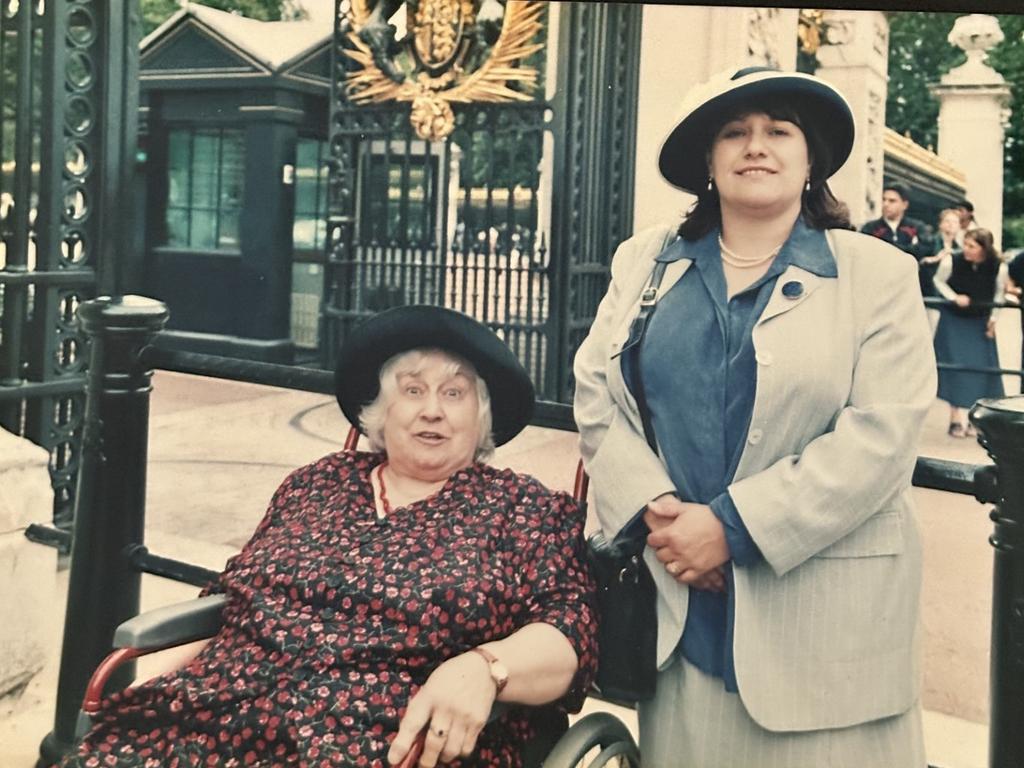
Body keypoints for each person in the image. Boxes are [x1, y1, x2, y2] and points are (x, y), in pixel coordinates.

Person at [574, 66, 935, 767]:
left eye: (779, 130)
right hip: (682, 605)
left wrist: (731, 529)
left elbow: (881, 438)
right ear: (708, 161)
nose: (755, 146)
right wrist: (660, 514)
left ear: (811, 161)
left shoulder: (878, 275)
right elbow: (594, 390)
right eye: (734, 132)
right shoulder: (646, 261)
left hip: (825, 624)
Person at [60, 305, 598, 768]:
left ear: (481, 419)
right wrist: (160, 676)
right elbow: (234, 597)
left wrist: (487, 669)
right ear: (382, 412)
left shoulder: (523, 508)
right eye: (413, 390)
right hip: (223, 708)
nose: (432, 409)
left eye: (454, 393)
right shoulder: (318, 481)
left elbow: (568, 634)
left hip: (374, 737)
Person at [932, 228, 1008, 437]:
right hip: (954, 320)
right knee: (955, 368)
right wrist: (953, 296)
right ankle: (955, 419)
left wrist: (993, 320)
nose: (966, 249)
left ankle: (976, 419)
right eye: (965, 244)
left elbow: (999, 294)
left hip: (979, 320)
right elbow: (938, 281)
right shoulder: (952, 261)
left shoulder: (998, 266)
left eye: (972, 246)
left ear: (984, 248)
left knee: (981, 370)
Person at [859, 181, 933, 261]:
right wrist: (909, 249)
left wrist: (887, 247)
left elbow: (926, 249)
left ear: (905, 205)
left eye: (892, 201)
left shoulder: (916, 227)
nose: (885, 204)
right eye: (884, 199)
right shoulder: (870, 228)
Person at [919, 208, 964, 333]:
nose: (951, 225)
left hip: (949, 301)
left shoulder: (960, 249)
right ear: (940, 224)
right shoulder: (928, 242)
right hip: (929, 297)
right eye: (947, 221)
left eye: (955, 222)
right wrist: (936, 258)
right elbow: (919, 263)